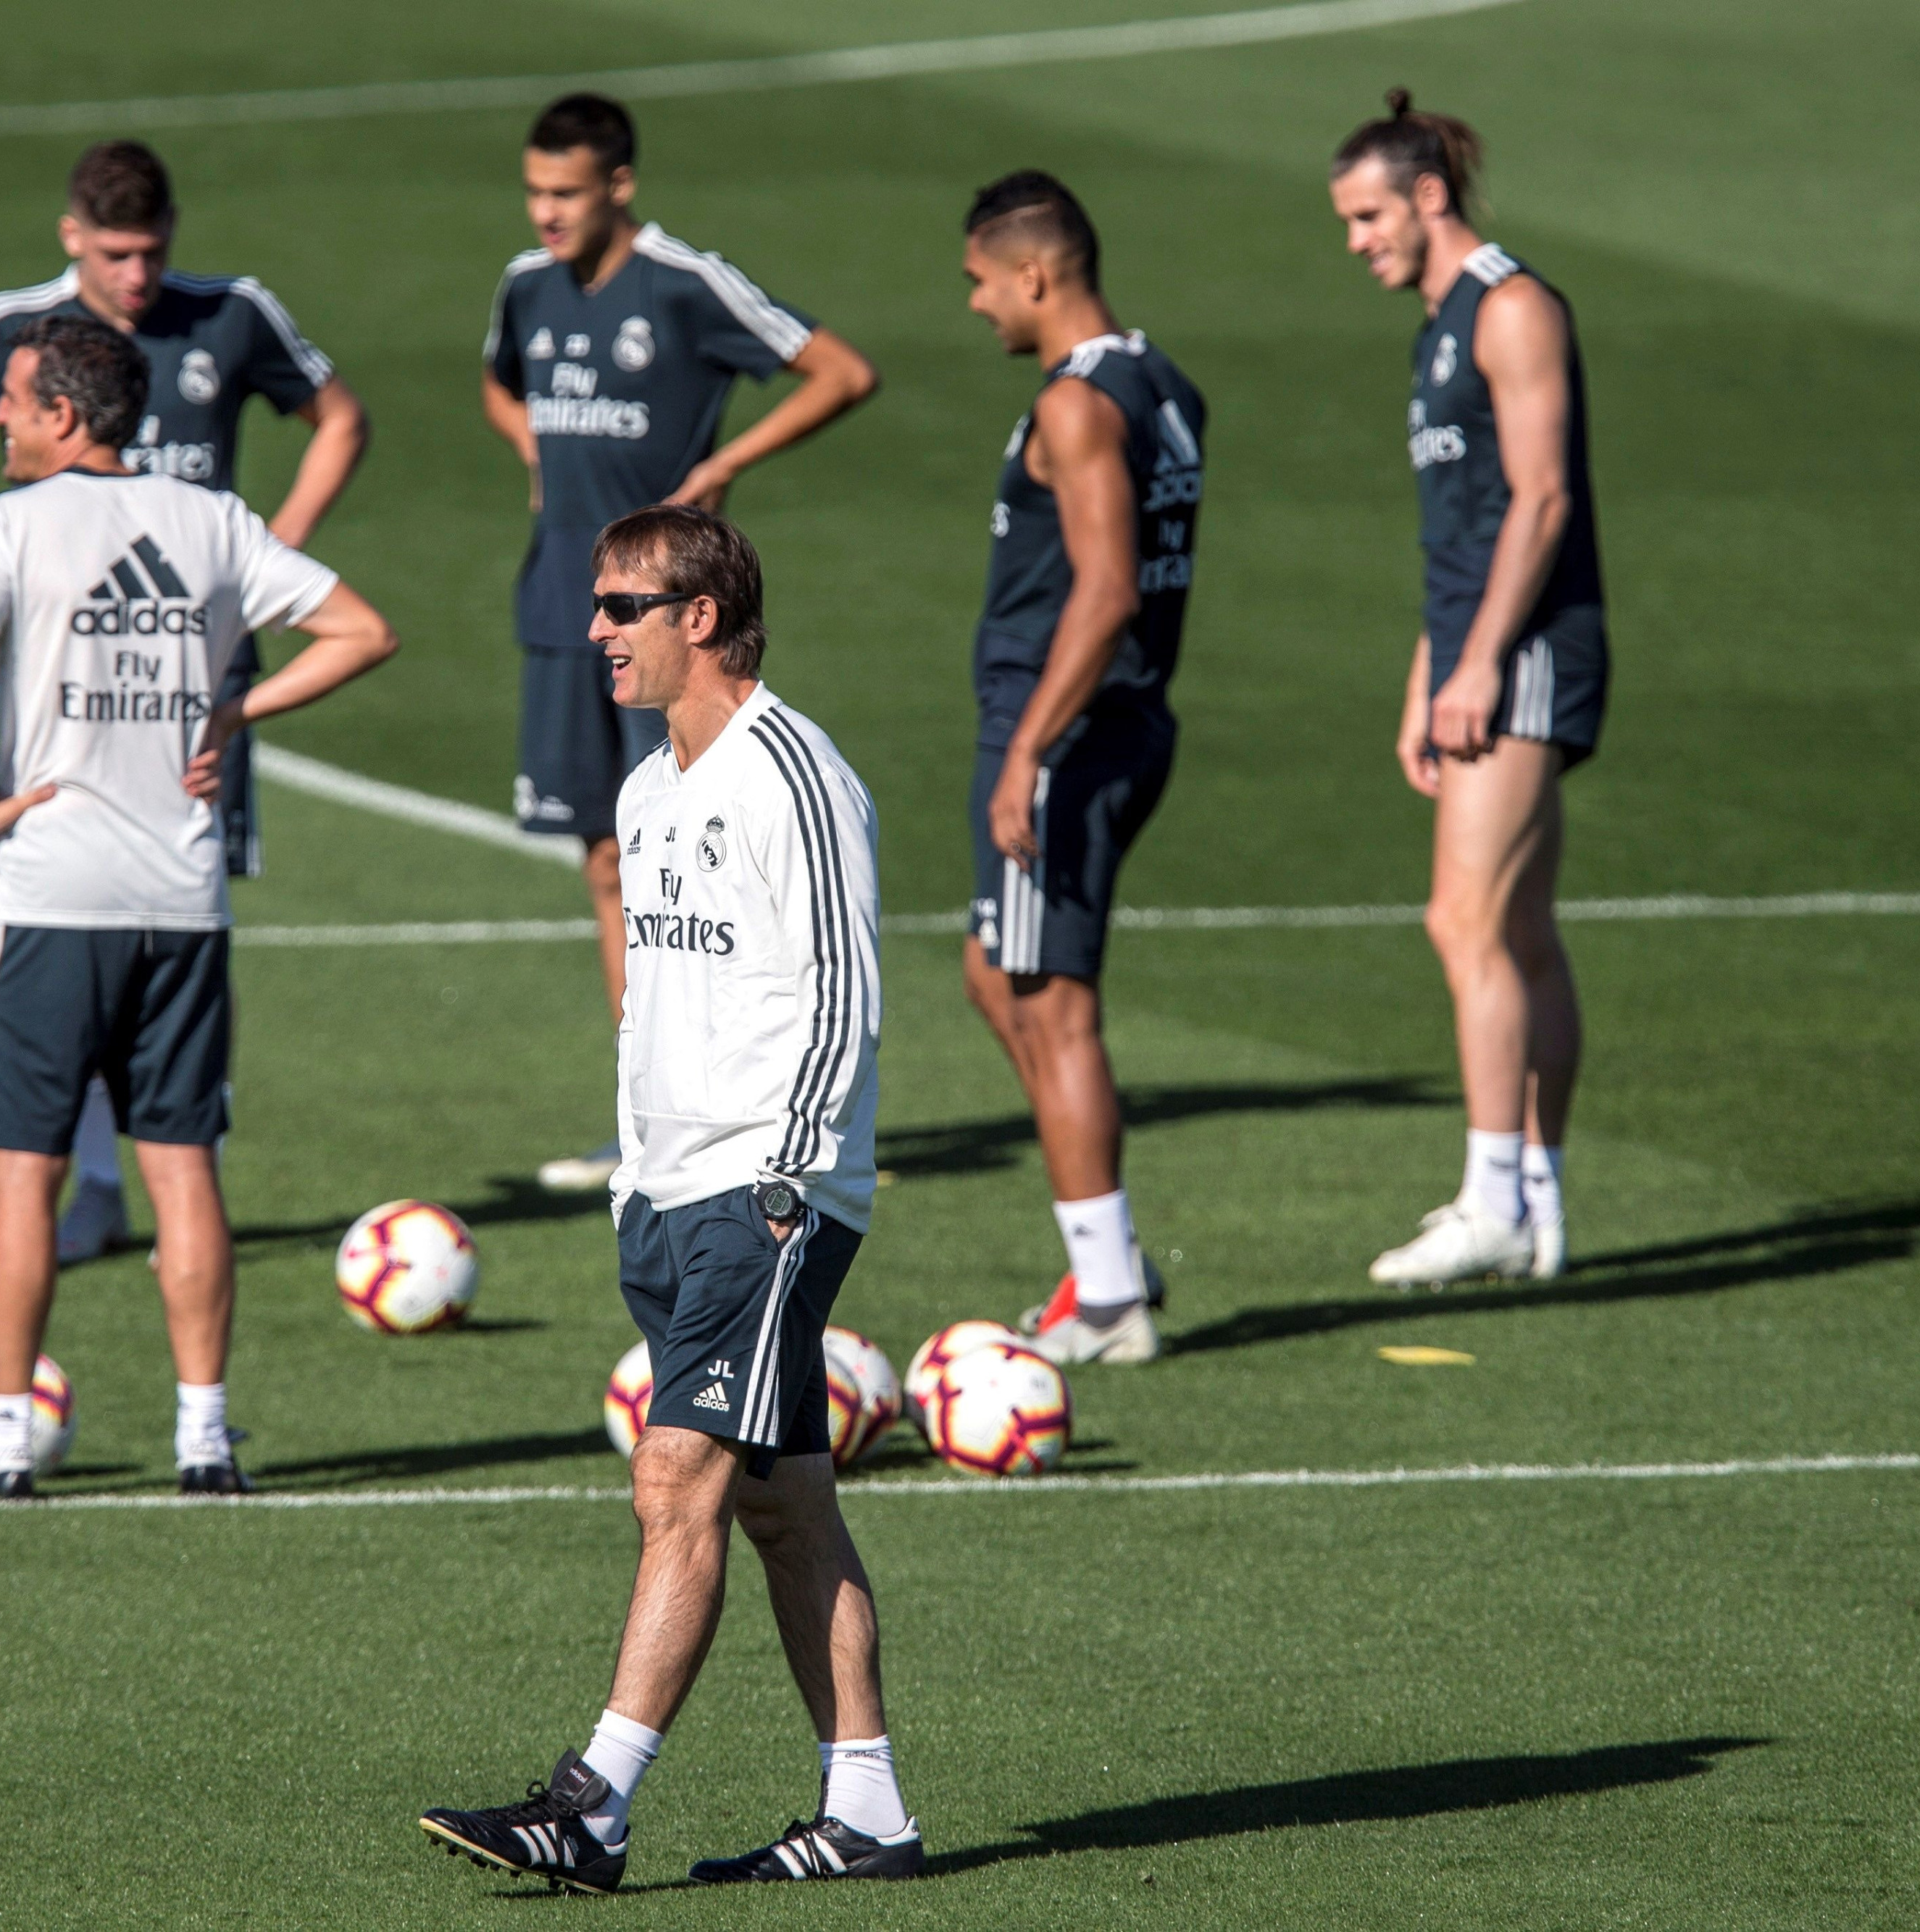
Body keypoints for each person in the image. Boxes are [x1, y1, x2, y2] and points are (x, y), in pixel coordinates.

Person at [420, 506, 917, 1890]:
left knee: (675, 1478)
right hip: (669, 1190)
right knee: (785, 1505)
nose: (596, 632)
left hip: (769, 1191)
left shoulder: (792, 778)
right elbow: (650, 1004)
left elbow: (844, 998)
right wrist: (638, 1168)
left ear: (701, 615)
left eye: (622, 607)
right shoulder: (651, 789)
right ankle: (867, 1809)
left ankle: (594, 1802)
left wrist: (783, 1184)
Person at [0, 138, 370, 1268]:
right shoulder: (17, 334)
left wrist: (265, 562)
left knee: (163, 920)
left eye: (153, 250)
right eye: (115, 252)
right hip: (73, 669)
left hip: (195, 687)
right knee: (109, 926)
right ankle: (101, 1181)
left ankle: (138, 1166)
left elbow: (341, 418)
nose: (139, 275)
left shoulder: (230, 316)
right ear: (71, 237)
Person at [0, 316, 396, 1500]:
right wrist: (235, 716)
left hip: (47, 896)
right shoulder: (214, 519)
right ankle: (206, 1439)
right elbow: (363, 631)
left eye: (16, 405)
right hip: (184, 898)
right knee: (183, 1168)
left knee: (26, 1172)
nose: (2, 424)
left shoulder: (12, 526)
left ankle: (8, 1444)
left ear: (66, 416)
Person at [480, 93, 876, 1195]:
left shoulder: (685, 284)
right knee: (609, 860)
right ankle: (644, 1111)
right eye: (535, 191)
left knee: (694, 860)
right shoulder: (526, 286)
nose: (547, 213)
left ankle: (753, 1104)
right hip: (564, 609)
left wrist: (713, 474)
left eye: (566, 193)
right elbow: (499, 382)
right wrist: (534, 451)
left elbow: (840, 370)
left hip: (665, 623)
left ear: (620, 185)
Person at [1332, 93, 1602, 1286]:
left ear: (1428, 196)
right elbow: (1460, 531)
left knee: (1467, 921)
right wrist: (1426, 675)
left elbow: (1540, 501)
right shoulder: (1438, 325)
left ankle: (1491, 1193)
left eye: (1369, 214)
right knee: (1525, 933)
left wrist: (1483, 659)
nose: (1357, 241)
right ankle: (1537, 1201)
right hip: (1480, 645)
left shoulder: (1513, 307)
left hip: (1530, 648)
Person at [955, 173, 1206, 1366]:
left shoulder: (1076, 404)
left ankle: (1109, 1298)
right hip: (1122, 724)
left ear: (1036, 274)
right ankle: (1106, 1251)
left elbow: (1104, 592)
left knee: (1050, 1007)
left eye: (980, 281)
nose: (974, 305)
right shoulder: (1164, 383)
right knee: (995, 975)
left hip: (1063, 732)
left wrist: (1029, 752)